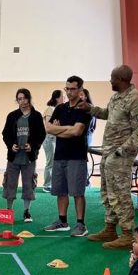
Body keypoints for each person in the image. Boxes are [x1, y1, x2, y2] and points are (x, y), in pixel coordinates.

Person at [79, 65, 138, 248]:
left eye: (112, 78)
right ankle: (110, 228)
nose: (110, 80)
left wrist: (121, 152)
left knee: (120, 194)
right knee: (107, 192)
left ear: (122, 79)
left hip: (120, 156)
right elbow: (107, 114)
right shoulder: (116, 97)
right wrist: (90, 109)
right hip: (108, 153)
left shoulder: (136, 100)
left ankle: (127, 234)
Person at [43, 77, 92, 237]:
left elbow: (77, 132)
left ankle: (81, 225)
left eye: (72, 89)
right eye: (67, 89)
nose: (69, 92)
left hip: (77, 156)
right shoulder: (60, 109)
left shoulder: (85, 109)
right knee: (60, 191)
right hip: (60, 156)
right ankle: (62, 221)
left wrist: (60, 130)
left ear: (80, 90)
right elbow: (49, 128)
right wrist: (67, 130)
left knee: (77, 192)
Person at [0, 87, 46, 223]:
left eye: (24, 98)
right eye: (19, 99)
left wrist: (33, 145)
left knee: (28, 184)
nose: (22, 101)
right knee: (10, 183)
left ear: (29, 98)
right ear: (17, 101)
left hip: (29, 157)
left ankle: (27, 211)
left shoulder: (36, 116)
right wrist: (11, 145)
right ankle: (9, 211)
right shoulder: (12, 116)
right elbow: (6, 134)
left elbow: (41, 135)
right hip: (13, 157)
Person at [41, 89, 63, 192]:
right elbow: (48, 126)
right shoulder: (50, 109)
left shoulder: (59, 110)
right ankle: (46, 185)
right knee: (50, 162)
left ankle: (53, 183)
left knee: (55, 162)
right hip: (49, 139)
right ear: (57, 98)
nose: (64, 98)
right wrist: (58, 127)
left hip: (55, 139)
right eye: (63, 96)